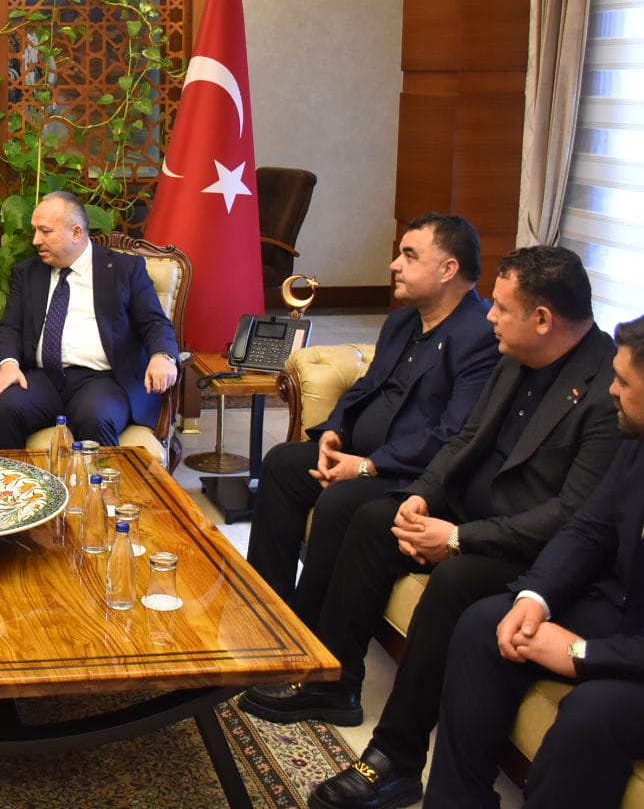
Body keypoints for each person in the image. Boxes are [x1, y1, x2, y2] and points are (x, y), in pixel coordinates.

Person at [240, 245, 621, 809]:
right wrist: (421, 495)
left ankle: (395, 759)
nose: (490, 315)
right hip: (468, 511)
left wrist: (460, 540)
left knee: (455, 583)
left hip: (526, 543)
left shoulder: (611, 388)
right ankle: (335, 683)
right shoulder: (518, 352)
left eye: (502, 308)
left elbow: (571, 515)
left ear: (543, 319)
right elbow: (466, 438)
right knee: (375, 518)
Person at [427, 316, 644, 809]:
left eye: (624, 383)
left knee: (591, 714)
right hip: (623, 607)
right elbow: (590, 527)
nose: (611, 391)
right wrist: (536, 597)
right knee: (487, 623)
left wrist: (582, 654)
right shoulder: (636, 442)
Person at [247, 212, 498, 623]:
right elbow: (365, 388)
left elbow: (454, 433)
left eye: (409, 256)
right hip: (362, 456)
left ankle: (307, 631)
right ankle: (264, 610)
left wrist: (367, 466)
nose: (394, 264)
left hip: (411, 474)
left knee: (341, 501)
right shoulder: (403, 320)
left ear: (448, 269)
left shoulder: (481, 336)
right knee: (282, 463)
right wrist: (334, 433)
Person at [0, 190, 178, 450]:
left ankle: (103, 479)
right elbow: (11, 326)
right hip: (43, 378)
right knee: (6, 409)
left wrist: (163, 356)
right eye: (35, 231)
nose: (35, 240)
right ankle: (6, 478)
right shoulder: (28, 272)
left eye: (45, 231)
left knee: (95, 417)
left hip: (102, 380)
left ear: (76, 232)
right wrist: (8, 364)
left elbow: (154, 322)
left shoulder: (124, 269)